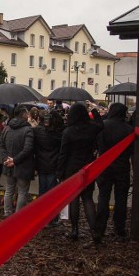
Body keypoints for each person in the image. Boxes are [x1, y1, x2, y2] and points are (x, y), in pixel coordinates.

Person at [58, 102, 103, 241]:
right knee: (88, 199)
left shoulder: (68, 132)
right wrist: (94, 111)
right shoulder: (92, 129)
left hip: (71, 168)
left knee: (74, 199)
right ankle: (94, 230)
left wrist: (60, 173)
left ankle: (74, 229)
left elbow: (63, 154)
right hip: (88, 166)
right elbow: (101, 125)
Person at [95, 103, 133, 241]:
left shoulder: (103, 126)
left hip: (104, 167)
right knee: (121, 199)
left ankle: (100, 228)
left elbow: (97, 144)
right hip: (122, 167)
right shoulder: (129, 129)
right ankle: (119, 228)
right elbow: (132, 150)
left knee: (103, 197)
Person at [0, 105, 35, 217]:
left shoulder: (7, 128)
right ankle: (18, 216)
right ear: (24, 114)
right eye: (27, 112)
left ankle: (7, 213)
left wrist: (7, 159)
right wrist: (14, 160)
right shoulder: (28, 129)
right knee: (22, 191)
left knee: (9, 189)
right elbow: (28, 149)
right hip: (23, 165)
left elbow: (1, 145)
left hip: (9, 165)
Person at [34, 108, 63, 200]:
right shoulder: (58, 133)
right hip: (53, 163)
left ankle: (41, 210)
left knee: (42, 188)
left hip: (41, 163)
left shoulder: (37, 131)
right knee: (51, 190)